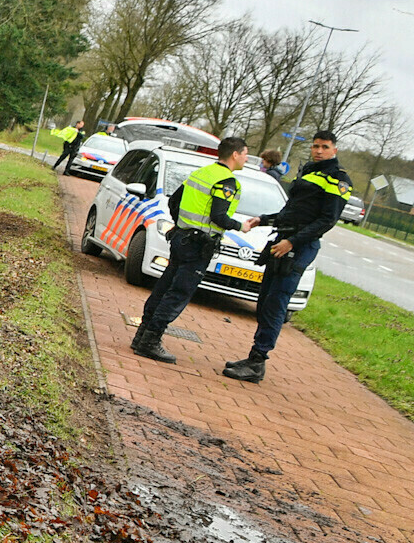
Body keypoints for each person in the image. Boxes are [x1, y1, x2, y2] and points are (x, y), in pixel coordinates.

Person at [223, 130, 353, 383]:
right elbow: (292, 211)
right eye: (315, 146)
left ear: (334, 150)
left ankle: (257, 362)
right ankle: (254, 358)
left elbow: (327, 220)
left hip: (298, 246)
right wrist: (264, 220)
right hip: (283, 240)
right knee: (265, 300)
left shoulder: (338, 179)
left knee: (276, 303)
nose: (319, 151)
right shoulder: (309, 172)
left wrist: (292, 242)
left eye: (325, 147)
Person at [131, 135, 249, 363]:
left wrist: (182, 225)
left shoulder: (202, 173)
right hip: (198, 246)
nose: (246, 158)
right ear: (235, 154)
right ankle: (150, 341)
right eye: (245, 154)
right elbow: (219, 216)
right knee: (178, 293)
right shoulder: (227, 182)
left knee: (164, 287)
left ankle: (141, 335)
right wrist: (240, 226)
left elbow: (173, 201)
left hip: (181, 239)